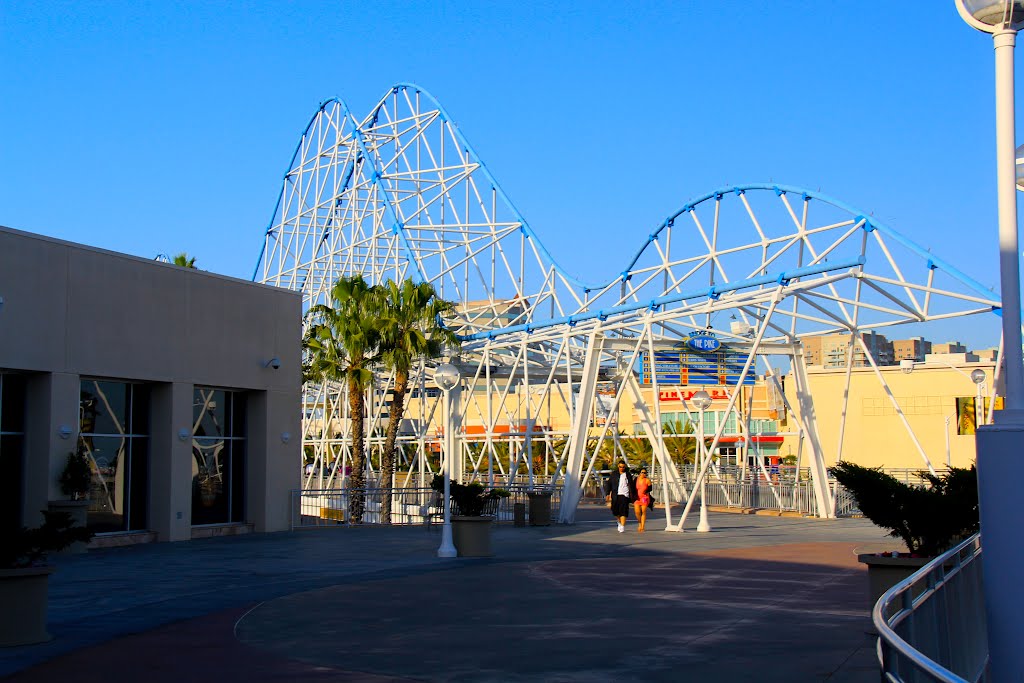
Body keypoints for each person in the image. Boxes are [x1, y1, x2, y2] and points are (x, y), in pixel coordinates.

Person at [604, 460, 636, 533]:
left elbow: (631, 486)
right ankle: (619, 521)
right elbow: (609, 484)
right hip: (615, 495)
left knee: (624, 511)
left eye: (623, 467)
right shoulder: (614, 474)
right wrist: (607, 493)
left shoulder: (627, 475)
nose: (622, 468)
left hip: (625, 495)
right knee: (615, 511)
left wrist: (633, 496)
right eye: (620, 467)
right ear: (618, 466)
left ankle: (622, 526)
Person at [634, 467, 652, 533]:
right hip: (637, 498)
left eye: (645, 473)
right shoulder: (636, 479)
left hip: (644, 498)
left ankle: (642, 526)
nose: (643, 474)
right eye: (642, 472)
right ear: (639, 473)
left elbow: (650, 488)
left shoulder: (647, 480)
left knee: (643, 511)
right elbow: (633, 487)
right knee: (637, 512)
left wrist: (646, 491)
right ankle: (639, 522)